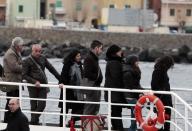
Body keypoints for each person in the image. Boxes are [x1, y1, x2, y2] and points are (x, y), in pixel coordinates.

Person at [22, 44, 60, 125]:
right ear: (32, 51)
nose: (38, 53)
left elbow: (51, 69)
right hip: (32, 86)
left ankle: (32, 121)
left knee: (42, 105)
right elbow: (24, 75)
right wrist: (34, 81)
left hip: (43, 85)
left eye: (40, 51)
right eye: (36, 51)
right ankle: (34, 123)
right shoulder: (26, 61)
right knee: (33, 105)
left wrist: (60, 79)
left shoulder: (43, 58)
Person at [59, 49, 84, 127]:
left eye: (80, 56)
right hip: (68, 90)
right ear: (73, 56)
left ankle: (71, 123)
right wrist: (61, 83)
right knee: (65, 109)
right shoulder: (67, 64)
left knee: (78, 109)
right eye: (77, 56)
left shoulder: (80, 65)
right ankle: (61, 125)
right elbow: (63, 75)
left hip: (78, 92)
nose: (79, 57)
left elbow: (82, 77)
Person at [104, 44, 126, 130]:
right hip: (115, 92)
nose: (121, 52)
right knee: (116, 112)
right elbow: (117, 77)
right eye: (119, 51)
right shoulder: (114, 63)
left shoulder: (114, 61)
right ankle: (119, 128)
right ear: (115, 53)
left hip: (114, 92)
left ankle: (116, 127)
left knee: (115, 111)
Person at [3, 37, 24, 122]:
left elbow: (19, 65)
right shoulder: (11, 54)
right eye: (22, 45)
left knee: (14, 103)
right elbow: (14, 67)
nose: (23, 47)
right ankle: (7, 121)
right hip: (11, 83)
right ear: (17, 46)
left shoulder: (16, 53)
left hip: (15, 83)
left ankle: (12, 120)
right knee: (10, 102)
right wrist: (26, 68)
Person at [151, 55, 174, 131]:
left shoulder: (162, 70)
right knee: (162, 120)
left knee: (166, 120)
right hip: (162, 99)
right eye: (170, 65)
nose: (170, 67)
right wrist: (162, 90)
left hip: (165, 99)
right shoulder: (158, 71)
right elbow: (154, 85)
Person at [123, 55, 143, 131]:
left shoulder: (134, 70)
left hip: (134, 94)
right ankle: (132, 129)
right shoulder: (128, 72)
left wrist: (141, 91)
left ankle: (133, 128)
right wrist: (141, 91)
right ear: (133, 62)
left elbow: (136, 84)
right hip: (129, 95)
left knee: (135, 112)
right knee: (136, 111)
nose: (138, 62)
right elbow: (131, 86)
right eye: (137, 61)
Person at [83, 40, 103, 115]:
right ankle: (86, 125)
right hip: (92, 87)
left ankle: (90, 126)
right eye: (101, 48)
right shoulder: (89, 58)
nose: (101, 51)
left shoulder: (93, 58)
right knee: (90, 108)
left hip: (95, 87)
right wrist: (97, 78)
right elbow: (87, 73)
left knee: (95, 108)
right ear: (96, 48)